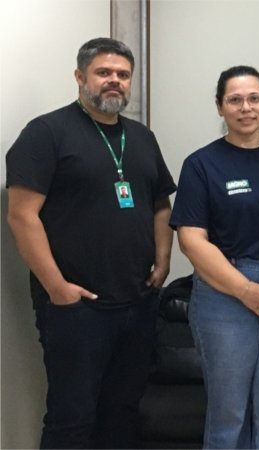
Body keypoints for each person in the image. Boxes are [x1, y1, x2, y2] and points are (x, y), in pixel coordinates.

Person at [5, 37, 175, 449]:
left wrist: (163, 260)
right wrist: (58, 289)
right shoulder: (46, 133)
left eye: (122, 74)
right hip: (76, 307)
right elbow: (21, 215)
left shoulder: (141, 137)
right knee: (72, 417)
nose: (114, 81)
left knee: (122, 412)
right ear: (81, 77)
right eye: (104, 73)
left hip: (136, 300)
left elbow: (160, 204)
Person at [169, 65, 259, 449]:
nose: (245, 108)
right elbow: (191, 241)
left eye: (254, 98)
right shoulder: (201, 164)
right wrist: (244, 289)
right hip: (224, 292)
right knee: (230, 410)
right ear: (220, 107)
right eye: (235, 100)